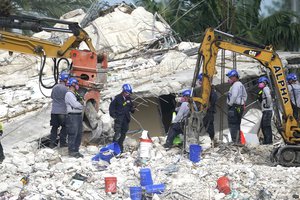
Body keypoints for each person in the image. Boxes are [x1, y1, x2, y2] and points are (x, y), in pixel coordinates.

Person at [109, 84, 135, 153]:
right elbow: (111, 109)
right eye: (127, 92)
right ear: (123, 91)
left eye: (129, 93)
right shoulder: (117, 98)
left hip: (125, 119)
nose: (128, 94)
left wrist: (133, 108)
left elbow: (131, 109)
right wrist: (114, 116)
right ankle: (114, 149)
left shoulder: (129, 99)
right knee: (117, 134)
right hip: (119, 119)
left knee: (123, 134)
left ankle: (120, 149)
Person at [226, 69, 247, 144]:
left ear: (235, 77)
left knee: (233, 124)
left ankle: (235, 141)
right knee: (237, 124)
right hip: (239, 107)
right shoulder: (241, 85)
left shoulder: (235, 85)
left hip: (234, 107)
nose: (229, 79)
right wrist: (243, 103)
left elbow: (234, 95)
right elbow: (245, 96)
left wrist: (230, 104)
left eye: (231, 77)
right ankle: (238, 141)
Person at [196, 73, 218, 146]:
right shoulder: (202, 90)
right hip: (203, 112)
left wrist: (208, 106)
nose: (199, 82)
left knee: (209, 126)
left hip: (209, 111)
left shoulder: (210, 89)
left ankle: (212, 140)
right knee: (205, 126)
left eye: (200, 81)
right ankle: (209, 140)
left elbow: (214, 99)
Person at [65, 78, 84, 158]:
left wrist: (81, 104)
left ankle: (76, 150)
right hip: (73, 116)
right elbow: (76, 105)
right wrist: (81, 105)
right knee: (73, 133)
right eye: (76, 84)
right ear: (72, 85)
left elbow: (82, 101)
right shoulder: (69, 94)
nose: (77, 85)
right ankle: (72, 151)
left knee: (79, 133)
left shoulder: (75, 94)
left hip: (78, 115)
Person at [49, 71, 69, 148]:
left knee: (54, 127)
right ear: (66, 79)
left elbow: (52, 97)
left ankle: (52, 143)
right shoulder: (66, 89)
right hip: (62, 112)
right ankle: (63, 143)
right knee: (64, 127)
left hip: (54, 111)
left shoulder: (55, 87)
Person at [257, 76, 273, 144]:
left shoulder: (266, 88)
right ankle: (267, 140)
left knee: (266, 126)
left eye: (261, 82)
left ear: (265, 82)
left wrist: (267, 105)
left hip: (267, 110)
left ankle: (268, 141)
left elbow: (268, 97)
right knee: (264, 126)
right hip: (266, 110)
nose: (259, 84)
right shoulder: (263, 90)